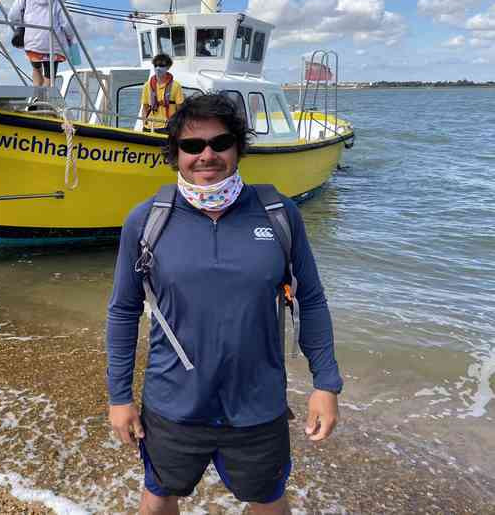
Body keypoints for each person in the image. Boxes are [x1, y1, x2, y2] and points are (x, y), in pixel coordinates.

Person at [106, 93, 342, 514]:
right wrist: (118, 397)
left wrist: (326, 383)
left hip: (257, 405)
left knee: (268, 502)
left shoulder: (279, 214)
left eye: (221, 142)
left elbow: (311, 299)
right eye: (192, 146)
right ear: (175, 153)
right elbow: (124, 311)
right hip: (173, 404)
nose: (207, 155)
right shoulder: (146, 221)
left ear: (239, 147)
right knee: (157, 499)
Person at [8, 0, 74, 87]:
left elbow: (12, 16)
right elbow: (67, 23)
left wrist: (25, 22)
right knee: (49, 76)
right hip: (53, 44)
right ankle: (44, 102)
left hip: (33, 43)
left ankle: (36, 97)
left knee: (36, 69)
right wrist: (71, 38)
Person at [141, 53, 184, 133]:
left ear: (168, 67)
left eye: (161, 66)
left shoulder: (176, 86)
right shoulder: (147, 85)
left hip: (168, 126)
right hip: (149, 126)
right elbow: (145, 107)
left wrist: (178, 126)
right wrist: (144, 124)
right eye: (155, 65)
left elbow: (179, 110)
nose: (158, 68)